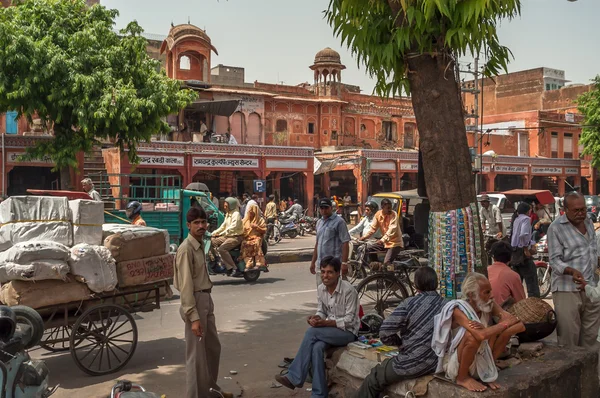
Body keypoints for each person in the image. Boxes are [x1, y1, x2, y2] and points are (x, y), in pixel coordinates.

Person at [275, 256, 359, 397]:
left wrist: (325, 323)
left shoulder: (349, 290)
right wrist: (316, 318)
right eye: (323, 272)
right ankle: (319, 394)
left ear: (338, 273)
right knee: (317, 347)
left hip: (348, 332)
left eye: (330, 272)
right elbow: (322, 311)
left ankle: (294, 377)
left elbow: (350, 320)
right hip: (330, 331)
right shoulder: (321, 288)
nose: (325, 276)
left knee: (311, 333)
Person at [356, 267, 447, 398]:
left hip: (413, 362)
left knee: (374, 378)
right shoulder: (445, 304)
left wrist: (399, 343)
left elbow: (385, 332)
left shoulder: (409, 303)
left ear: (416, 285)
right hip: (436, 361)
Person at [174, 207, 233, 398]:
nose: (201, 226)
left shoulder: (200, 245)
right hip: (196, 302)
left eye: (203, 222)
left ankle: (211, 391)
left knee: (212, 349)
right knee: (197, 357)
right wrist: (193, 317)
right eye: (196, 223)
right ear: (188, 225)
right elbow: (185, 286)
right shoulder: (186, 249)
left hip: (206, 299)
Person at [432, 273, 525, 392]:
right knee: (472, 336)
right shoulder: (458, 309)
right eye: (487, 292)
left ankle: (486, 373)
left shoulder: (489, 304)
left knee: (502, 332)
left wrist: (495, 330)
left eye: (491, 291)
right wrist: (502, 325)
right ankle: (463, 378)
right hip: (456, 365)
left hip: (483, 361)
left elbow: (519, 325)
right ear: (471, 295)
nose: (492, 296)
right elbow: (480, 335)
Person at [547, 191, 600, 349]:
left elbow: (592, 250)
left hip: (590, 287)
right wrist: (571, 271)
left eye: (583, 209)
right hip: (566, 289)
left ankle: (590, 374)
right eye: (576, 210)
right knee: (569, 339)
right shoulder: (556, 228)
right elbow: (554, 260)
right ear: (565, 210)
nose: (581, 213)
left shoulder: (589, 222)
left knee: (591, 339)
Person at [310, 198, 351, 283]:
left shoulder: (339, 222)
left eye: (326, 208)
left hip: (333, 265)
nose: (324, 210)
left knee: (335, 292)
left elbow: (345, 242)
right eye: (322, 208)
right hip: (321, 265)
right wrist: (313, 262)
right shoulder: (319, 222)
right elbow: (318, 244)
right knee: (321, 292)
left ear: (331, 208)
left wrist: (344, 263)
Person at [360, 198, 403, 266]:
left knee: (387, 262)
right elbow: (373, 229)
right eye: (387, 208)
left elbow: (392, 229)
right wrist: (364, 237)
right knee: (367, 248)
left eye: (390, 208)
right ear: (382, 207)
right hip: (385, 242)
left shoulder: (394, 214)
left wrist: (382, 240)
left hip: (395, 243)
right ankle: (377, 266)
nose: (389, 210)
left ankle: (390, 276)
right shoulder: (378, 214)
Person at [510, 202, 540, 298]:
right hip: (522, 252)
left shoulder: (516, 219)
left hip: (515, 252)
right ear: (528, 211)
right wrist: (526, 248)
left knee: (518, 280)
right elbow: (523, 234)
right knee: (532, 281)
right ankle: (533, 302)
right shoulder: (526, 219)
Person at [211, 197, 244, 277]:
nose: (224, 207)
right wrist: (214, 233)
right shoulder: (228, 214)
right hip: (227, 236)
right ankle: (221, 262)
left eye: (226, 206)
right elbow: (223, 226)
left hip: (235, 237)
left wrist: (222, 233)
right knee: (211, 241)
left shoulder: (236, 214)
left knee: (222, 249)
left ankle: (234, 268)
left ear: (231, 206)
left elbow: (233, 227)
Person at [487, 241, 526, 306]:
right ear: (511, 258)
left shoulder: (486, 271)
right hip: (502, 312)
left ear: (493, 257)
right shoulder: (513, 275)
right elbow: (521, 302)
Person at [240, 203, 266, 271]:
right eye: (250, 212)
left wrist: (257, 227)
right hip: (248, 237)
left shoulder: (260, 220)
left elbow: (264, 230)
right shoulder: (245, 220)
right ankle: (249, 263)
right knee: (244, 243)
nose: (250, 214)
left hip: (257, 237)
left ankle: (259, 263)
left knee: (256, 243)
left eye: (252, 212)